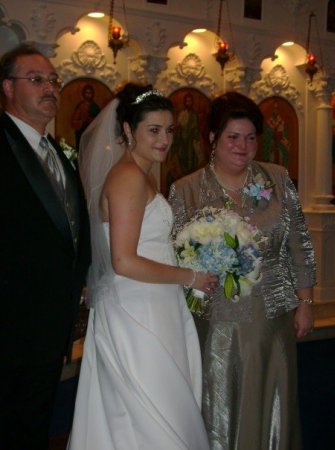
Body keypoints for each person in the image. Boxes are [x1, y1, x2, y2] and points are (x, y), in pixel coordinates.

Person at [67, 83, 218, 449]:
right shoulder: (128, 178)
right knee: (151, 409)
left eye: (169, 130)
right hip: (139, 309)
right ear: (127, 131)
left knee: (155, 404)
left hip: (154, 302)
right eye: (153, 130)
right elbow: (124, 261)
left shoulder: (143, 173)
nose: (164, 139)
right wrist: (191, 276)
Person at [168, 91, 317, 450]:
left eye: (251, 137)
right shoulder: (186, 190)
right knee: (220, 402)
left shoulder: (277, 180)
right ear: (213, 138)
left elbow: (299, 240)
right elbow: (173, 257)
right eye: (233, 136)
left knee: (271, 400)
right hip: (217, 321)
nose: (243, 146)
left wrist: (306, 300)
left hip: (272, 318)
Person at [0, 45, 91, 449]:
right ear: (7, 87)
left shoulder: (57, 152)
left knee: (31, 424)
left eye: (53, 80)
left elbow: (69, 230)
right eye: (36, 80)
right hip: (10, 326)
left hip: (49, 326)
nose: (50, 88)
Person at [71, 83, 101, 149]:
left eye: (90, 93)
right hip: (81, 132)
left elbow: (99, 121)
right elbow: (74, 122)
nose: (88, 95)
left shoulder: (96, 107)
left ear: (92, 94)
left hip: (92, 132)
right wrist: (82, 121)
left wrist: (91, 120)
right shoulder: (80, 106)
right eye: (86, 93)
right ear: (83, 94)